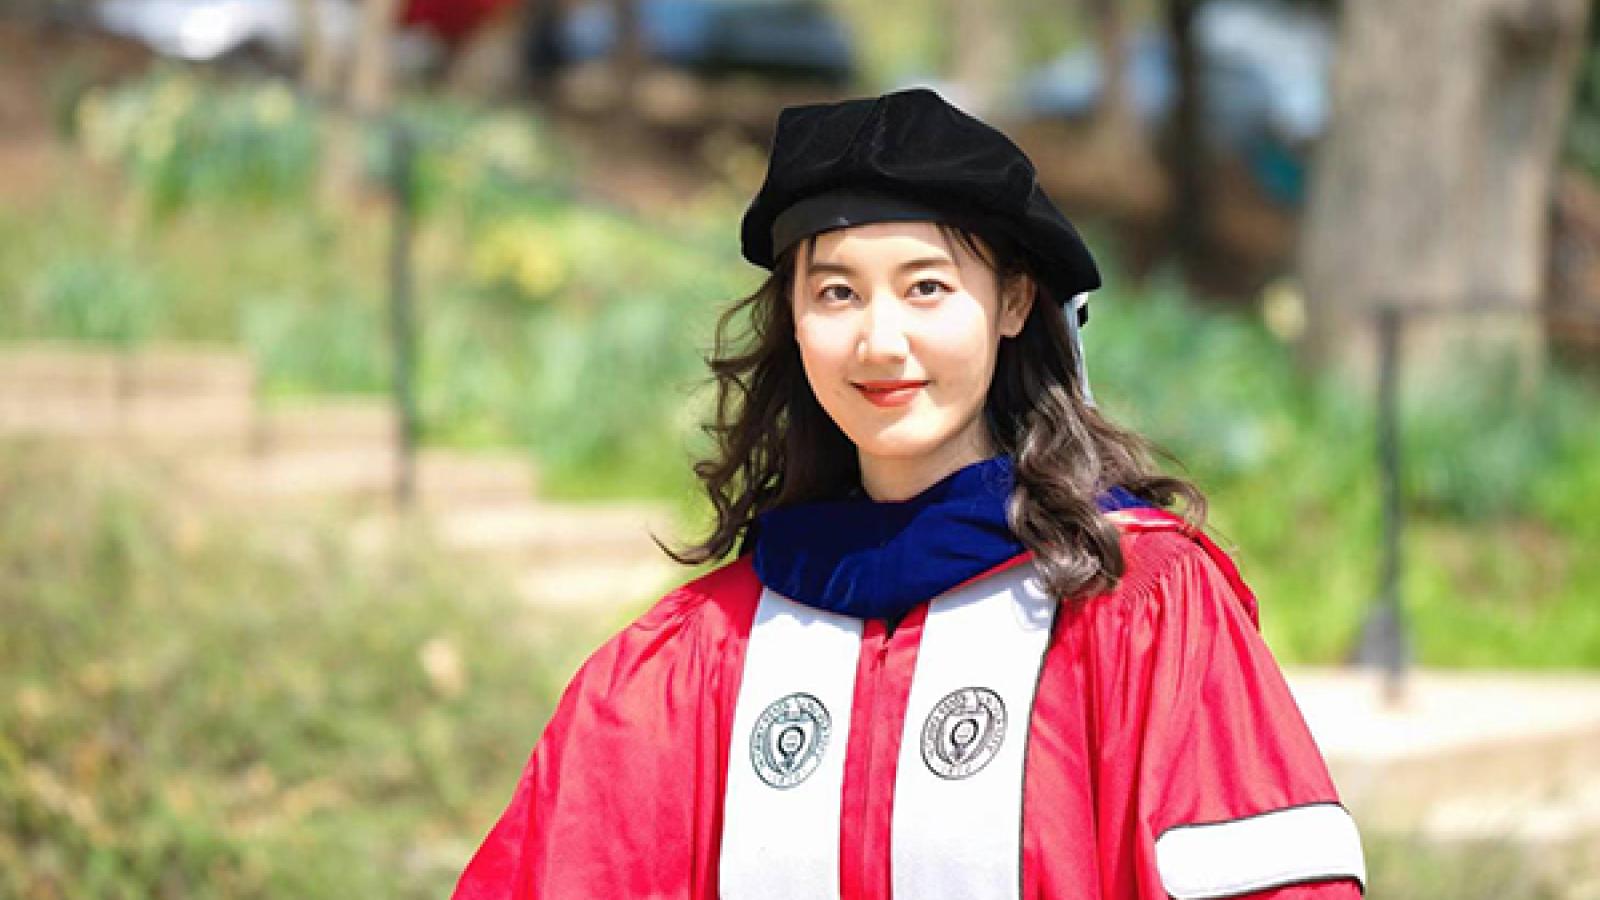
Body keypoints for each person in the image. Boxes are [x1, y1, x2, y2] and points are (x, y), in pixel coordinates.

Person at [450, 87, 1366, 900]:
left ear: (1012, 304)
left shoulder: (1135, 606)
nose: (880, 342)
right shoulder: (697, 657)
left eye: (926, 288)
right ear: (796, 322)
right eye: (838, 293)